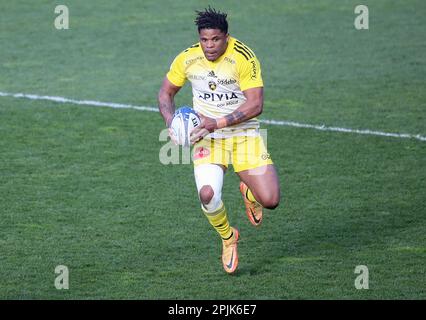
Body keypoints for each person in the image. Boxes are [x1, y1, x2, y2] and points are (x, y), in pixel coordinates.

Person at [158, 7, 280, 274]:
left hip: (243, 134)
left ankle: (249, 191)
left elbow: (256, 104)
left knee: (270, 199)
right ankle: (228, 237)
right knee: (207, 194)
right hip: (208, 138)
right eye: (204, 40)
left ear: (226, 37)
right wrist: (171, 124)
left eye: (215, 39)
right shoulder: (188, 59)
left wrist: (218, 123)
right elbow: (165, 94)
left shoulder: (243, 57)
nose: (209, 46)